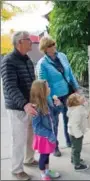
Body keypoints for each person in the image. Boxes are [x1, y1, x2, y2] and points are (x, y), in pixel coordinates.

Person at [1, 31, 38, 180]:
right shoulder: (8, 60)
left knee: (30, 135)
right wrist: (24, 104)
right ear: (20, 42)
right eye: (28, 39)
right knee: (18, 139)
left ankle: (29, 159)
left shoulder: (27, 59)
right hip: (17, 107)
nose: (31, 42)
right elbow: (10, 86)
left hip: (30, 105)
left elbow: (32, 82)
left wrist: (36, 99)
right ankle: (16, 169)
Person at [36, 36, 80, 157]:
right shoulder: (42, 64)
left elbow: (70, 73)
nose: (54, 46)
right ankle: (55, 146)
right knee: (54, 123)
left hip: (67, 93)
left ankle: (69, 141)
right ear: (45, 48)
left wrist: (76, 88)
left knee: (68, 119)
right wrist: (49, 101)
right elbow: (43, 84)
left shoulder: (62, 56)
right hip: (54, 97)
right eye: (51, 45)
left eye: (54, 44)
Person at [30, 80, 61, 180]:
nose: (49, 88)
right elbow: (36, 127)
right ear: (41, 91)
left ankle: (47, 171)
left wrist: (58, 105)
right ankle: (43, 174)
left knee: (47, 154)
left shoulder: (47, 101)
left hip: (49, 135)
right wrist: (49, 134)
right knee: (43, 157)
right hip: (44, 137)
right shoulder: (36, 108)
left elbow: (55, 113)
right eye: (47, 87)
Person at [67, 93, 89, 171]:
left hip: (73, 133)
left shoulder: (78, 108)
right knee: (77, 149)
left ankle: (73, 159)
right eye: (79, 97)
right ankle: (77, 165)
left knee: (74, 147)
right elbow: (74, 125)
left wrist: (84, 103)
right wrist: (79, 135)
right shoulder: (76, 111)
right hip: (76, 134)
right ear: (75, 102)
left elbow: (84, 109)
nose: (82, 97)